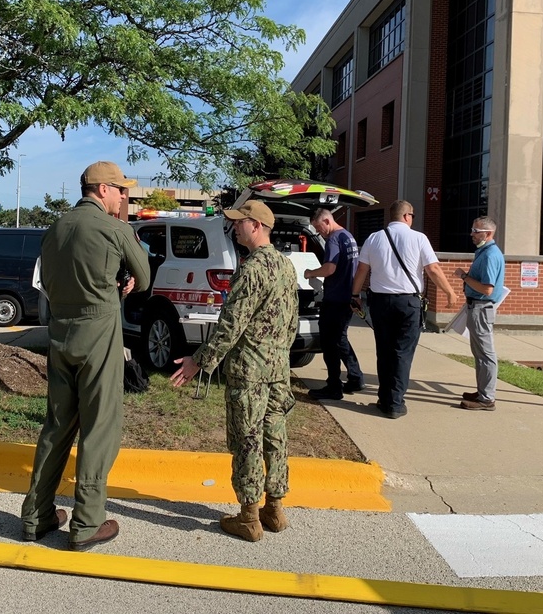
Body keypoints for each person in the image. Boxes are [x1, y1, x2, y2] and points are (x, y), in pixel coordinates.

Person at [20, 161, 150, 550]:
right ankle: (88, 521)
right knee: (99, 426)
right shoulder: (115, 229)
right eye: (121, 190)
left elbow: (46, 278)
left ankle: (36, 515)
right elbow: (142, 278)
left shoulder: (55, 227)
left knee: (57, 424)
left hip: (59, 333)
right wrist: (121, 282)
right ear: (103, 190)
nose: (124, 197)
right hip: (99, 333)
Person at [170, 200, 297, 542]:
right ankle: (276, 508)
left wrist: (199, 361)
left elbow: (231, 325)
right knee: (275, 437)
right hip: (277, 370)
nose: (234, 228)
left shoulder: (252, 268)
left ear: (256, 225)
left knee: (247, 440)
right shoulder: (286, 266)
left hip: (250, 372)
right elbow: (292, 325)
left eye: (239, 223)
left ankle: (249, 517)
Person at [351, 200, 458, 419]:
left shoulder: (374, 238)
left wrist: (354, 296)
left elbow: (362, 269)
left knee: (384, 350)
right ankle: (395, 403)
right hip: (408, 303)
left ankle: (384, 397)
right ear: (408, 216)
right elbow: (433, 269)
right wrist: (449, 292)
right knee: (402, 353)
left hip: (379, 302)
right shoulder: (419, 238)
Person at [303, 208, 364, 399]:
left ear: (327, 221)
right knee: (341, 339)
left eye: (318, 228)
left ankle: (334, 386)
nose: (318, 232)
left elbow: (330, 268)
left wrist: (310, 273)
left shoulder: (334, 239)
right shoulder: (348, 236)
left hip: (335, 299)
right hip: (347, 298)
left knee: (330, 344)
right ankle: (355, 377)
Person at [454, 216, 506, 411]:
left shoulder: (490, 255)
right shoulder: (484, 252)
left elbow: (487, 289)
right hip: (476, 308)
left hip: (482, 308)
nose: (472, 235)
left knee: (486, 354)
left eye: (476, 231)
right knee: (479, 353)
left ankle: (487, 398)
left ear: (488, 233)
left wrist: (464, 277)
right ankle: (482, 391)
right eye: (472, 230)